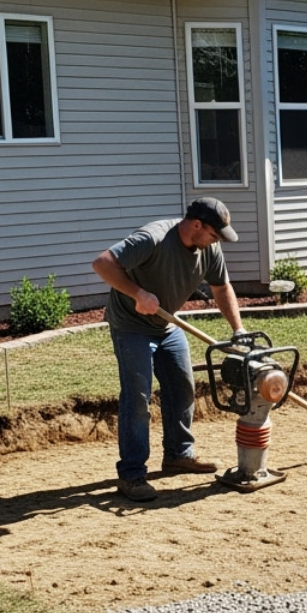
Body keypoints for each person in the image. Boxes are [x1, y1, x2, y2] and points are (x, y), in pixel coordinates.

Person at [92, 199, 244, 501]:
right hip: (131, 325)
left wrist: (237, 330)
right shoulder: (154, 238)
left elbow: (221, 287)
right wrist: (138, 293)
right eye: (215, 234)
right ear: (197, 225)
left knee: (182, 386)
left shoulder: (208, 249)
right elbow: (102, 263)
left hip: (167, 325)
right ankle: (132, 475)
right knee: (137, 397)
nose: (217, 241)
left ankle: (178, 454)